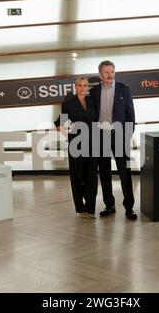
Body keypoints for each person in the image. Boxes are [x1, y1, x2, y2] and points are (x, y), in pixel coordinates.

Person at [89, 60, 137, 220]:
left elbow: (131, 115)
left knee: (125, 173)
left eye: (112, 71)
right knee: (104, 173)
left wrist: (127, 135)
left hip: (120, 137)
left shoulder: (124, 89)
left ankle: (129, 207)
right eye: (106, 72)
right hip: (101, 137)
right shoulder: (94, 92)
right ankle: (109, 205)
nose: (109, 75)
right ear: (100, 74)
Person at [54, 77, 98, 219]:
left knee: (91, 175)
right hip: (76, 143)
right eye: (79, 85)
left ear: (87, 87)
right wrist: (68, 136)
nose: (82, 88)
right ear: (75, 87)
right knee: (77, 175)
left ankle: (90, 208)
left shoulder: (93, 101)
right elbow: (59, 123)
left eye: (85, 85)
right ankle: (81, 209)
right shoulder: (68, 104)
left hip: (93, 142)